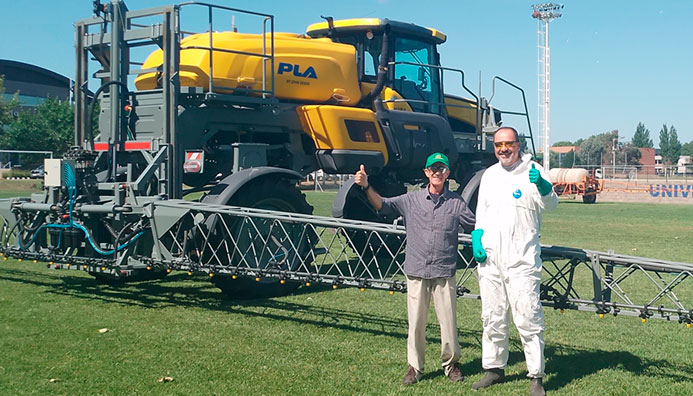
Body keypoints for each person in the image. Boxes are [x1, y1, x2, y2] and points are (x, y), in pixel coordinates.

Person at [354, 152, 475, 385]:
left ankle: (451, 365)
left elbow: (476, 224)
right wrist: (366, 186)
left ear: (447, 173)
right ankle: (415, 368)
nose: (437, 172)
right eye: (433, 169)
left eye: (442, 169)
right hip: (416, 270)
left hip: (444, 270)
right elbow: (383, 205)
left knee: (448, 323)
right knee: (416, 323)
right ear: (426, 173)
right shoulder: (411, 200)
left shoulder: (457, 202)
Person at [470, 127, 558, 396]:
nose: (503, 149)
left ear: (518, 145)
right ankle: (494, 368)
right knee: (492, 315)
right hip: (491, 259)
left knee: (528, 315)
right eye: (498, 144)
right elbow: (481, 212)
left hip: (522, 259)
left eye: (509, 144)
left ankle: (536, 375)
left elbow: (552, 204)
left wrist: (543, 186)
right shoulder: (490, 175)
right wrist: (476, 239)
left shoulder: (534, 170)